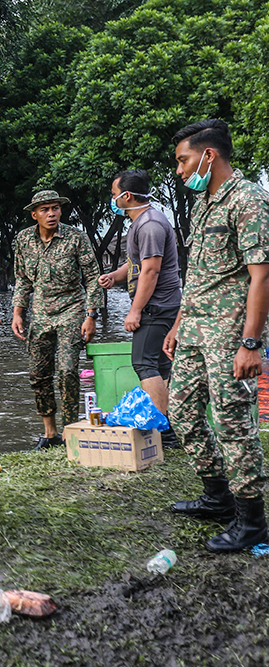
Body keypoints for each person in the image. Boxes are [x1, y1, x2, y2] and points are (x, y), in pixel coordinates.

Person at [164, 119, 269, 552]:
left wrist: (251, 343)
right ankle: (217, 496)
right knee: (182, 412)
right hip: (193, 327)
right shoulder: (204, 203)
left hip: (229, 333)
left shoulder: (247, 199)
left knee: (233, 423)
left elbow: (261, 277)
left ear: (209, 155)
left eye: (183, 160)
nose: (179, 170)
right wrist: (177, 322)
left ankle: (252, 520)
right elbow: (200, 274)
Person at [98, 169, 182, 449]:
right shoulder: (139, 224)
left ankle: (165, 433)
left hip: (157, 306)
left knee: (143, 363)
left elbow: (151, 271)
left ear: (127, 196)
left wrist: (135, 311)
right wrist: (115, 276)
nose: (113, 200)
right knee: (160, 365)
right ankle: (171, 425)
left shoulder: (149, 225)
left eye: (114, 195)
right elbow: (135, 266)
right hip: (160, 304)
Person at [13, 190, 101, 450]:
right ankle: (49, 433)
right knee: (38, 375)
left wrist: (91, 315)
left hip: (71, 311)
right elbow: (22, 279)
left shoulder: (76, 237)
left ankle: (70, 430)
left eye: (55, 208)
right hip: (39, 315)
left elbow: (92, 278)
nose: (51, 214)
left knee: (67, 372)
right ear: (34, 214)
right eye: (45, 210)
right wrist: (18, 312)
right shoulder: (23, 239)